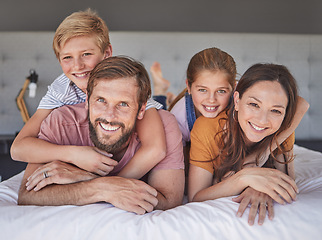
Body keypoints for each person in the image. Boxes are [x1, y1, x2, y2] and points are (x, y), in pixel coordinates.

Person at [10, 9, 167, 179]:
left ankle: (161, 92)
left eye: (86, 54)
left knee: (164, 111)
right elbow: (18, 148)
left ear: (106, 53)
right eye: (67, 57)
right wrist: (73, 154)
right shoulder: (62, 89)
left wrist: (108, 185)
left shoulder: (125, 84)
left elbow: (156, 149)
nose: (77, 66)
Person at [18, 56, 185, 214]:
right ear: (87, 101)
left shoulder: (164, 126)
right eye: (101, 101)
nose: (109, 116)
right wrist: (102, 188)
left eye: (123, 104)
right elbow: (28, 195)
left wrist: (86, 179)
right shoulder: (61, 122)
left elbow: (169, 200)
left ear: (141, 109)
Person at [188, 63, 309, 225]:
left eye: (275, 110)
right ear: (237, 101)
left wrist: (260, 186)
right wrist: (244, 178)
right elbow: (196, 197)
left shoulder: (281, 130)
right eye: (254, 104)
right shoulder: (207, 128)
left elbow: (287, 185)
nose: (262, 120)